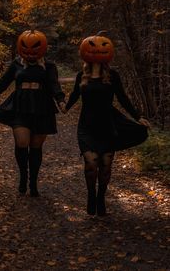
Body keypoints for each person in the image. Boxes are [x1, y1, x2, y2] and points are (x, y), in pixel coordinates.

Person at [64, 31, 150, 216]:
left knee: (105, 165)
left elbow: (123, 98)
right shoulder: (81, 76)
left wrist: (137, 117)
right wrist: (65, 108)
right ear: (85, 52)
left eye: (102, 49)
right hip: (87, 125)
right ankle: (91, 195)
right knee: (91, 163)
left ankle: (101, 196)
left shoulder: (113, 75)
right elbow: (74, 95)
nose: (96, 53)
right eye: (92, 48)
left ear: (107, 53)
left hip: (108, 124)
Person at [0, 30, 66, 197]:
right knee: (22, 142)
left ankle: (33, 182)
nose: (30, 52)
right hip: (20, 106)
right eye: (26, 48)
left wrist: (61, 100)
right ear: (21, 47)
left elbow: (54, 85)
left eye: (35, 48)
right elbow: (3, 82)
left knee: (35, 147)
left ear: (43, 48)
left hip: (42, 108)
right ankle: (23, 176)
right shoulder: (16, 64)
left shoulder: (49, 66)